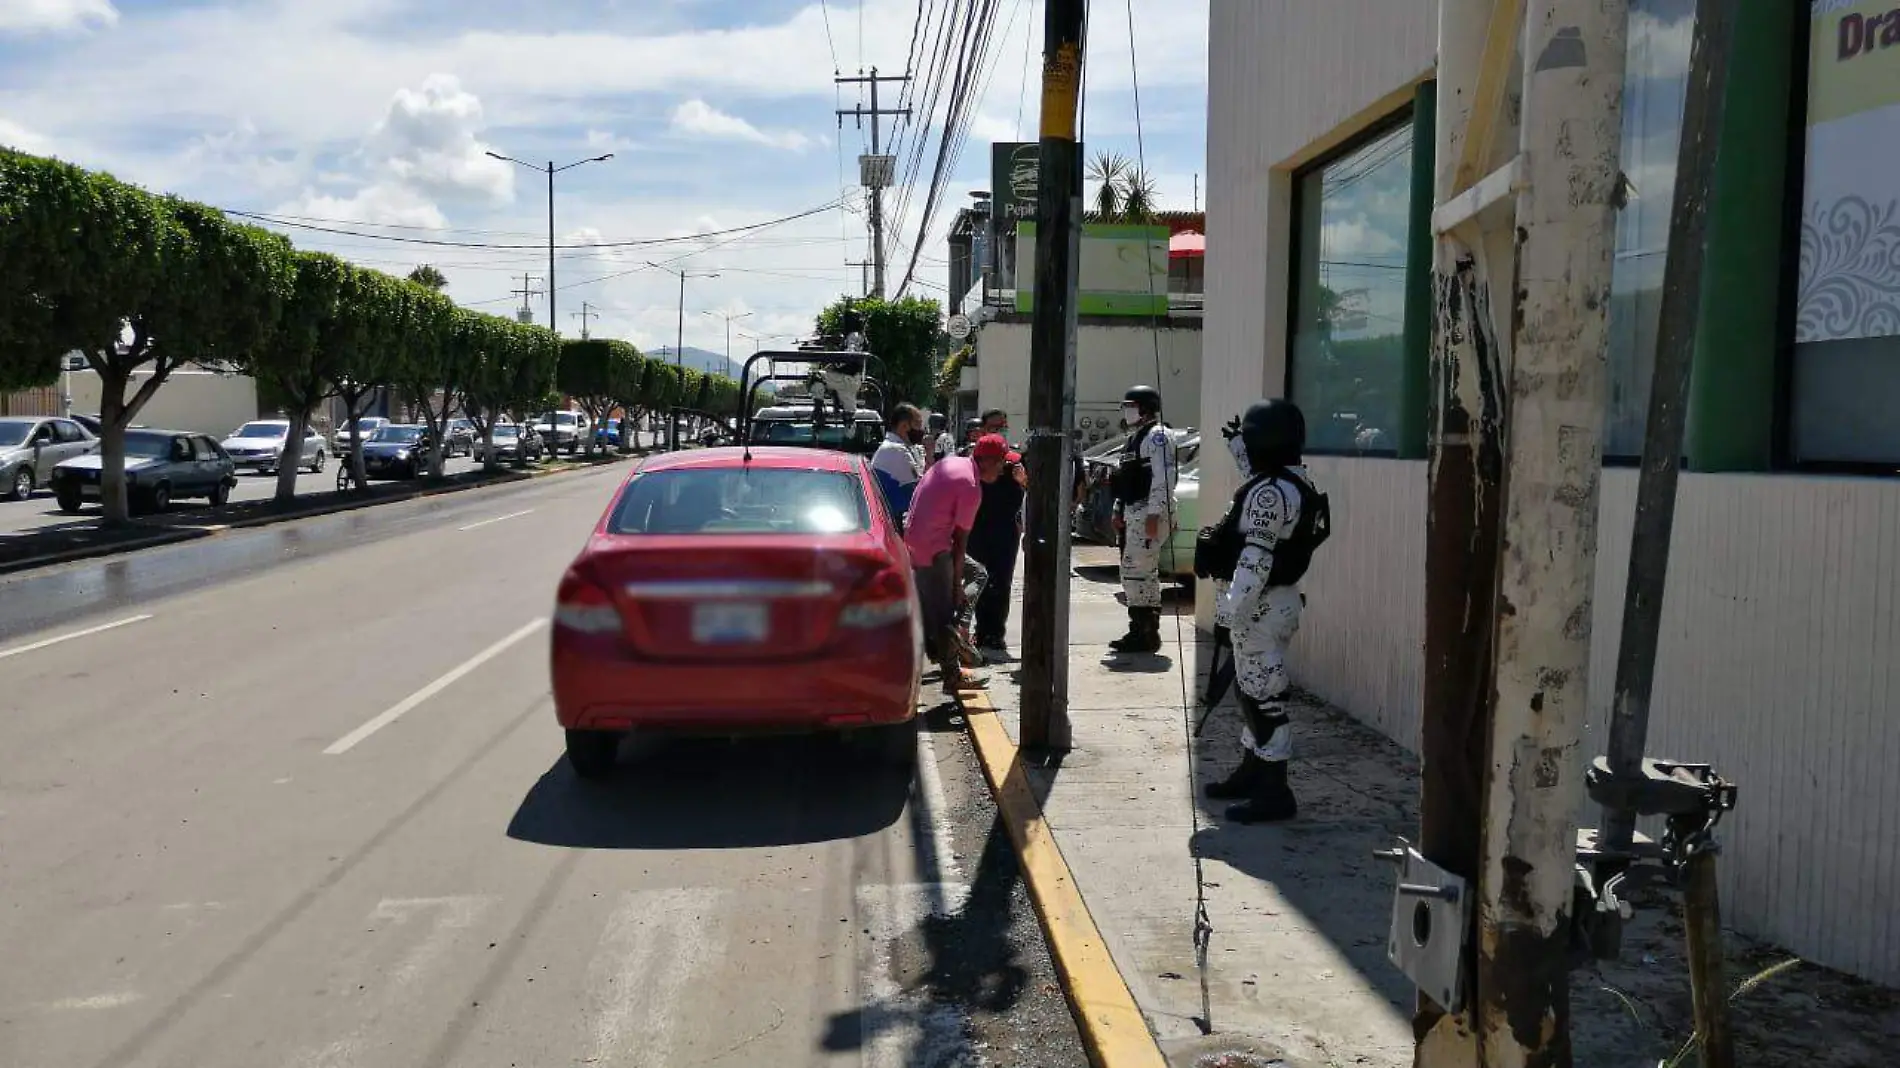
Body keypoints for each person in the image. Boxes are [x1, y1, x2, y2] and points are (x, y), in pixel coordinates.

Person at [1203, 398, 1325, 824]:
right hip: (1272, 605)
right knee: (1251, 689)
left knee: (1264, 698)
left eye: (1252, 441)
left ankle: (1274, 789)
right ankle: (1252, 771)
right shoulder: (1291, 481)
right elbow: (1256, 476)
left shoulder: (1271, 493)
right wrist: (1238, 444)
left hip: (1260, 608)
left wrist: (1228, 611)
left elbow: (1255, 559)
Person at [905, 445, 991, 695]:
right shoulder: (971, 485)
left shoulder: (952, 463)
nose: (1002, 469)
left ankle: (954, 636)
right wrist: (956, 585)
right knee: (946, 613)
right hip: (934, 547)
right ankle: (953, 665)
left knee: (939, 613)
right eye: (1000, 463)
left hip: (916, 540)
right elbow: (962, 538)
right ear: (986, 460)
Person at [1108, 385, 1177, 655]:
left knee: (1137, 573)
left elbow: (1164, 477)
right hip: (1134, 511)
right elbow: (1127, 477)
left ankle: (1144, 633)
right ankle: (1142, 632)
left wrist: (1154, 514)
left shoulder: (1158, 436)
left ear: (1145, 408)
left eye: (1131, 406)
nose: (1127, 411)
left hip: (1149, 511)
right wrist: (1118, 509)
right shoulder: (1136, 437)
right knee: (1138, 574)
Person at [968, 434, 1026, 658]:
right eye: (1002, 460)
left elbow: (1037, 494)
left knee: (1001, 582)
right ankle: (982, 631)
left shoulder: (1013, 473)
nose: (1006, 464)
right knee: (979, 580)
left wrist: (1024, 481)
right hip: (977, 530)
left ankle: (996, 633)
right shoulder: (971, 473)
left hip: (1005, 533)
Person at [870, 403, 926, 524]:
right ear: (904, 425)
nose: (921, 430)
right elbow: (920, 490)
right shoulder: (897, 450)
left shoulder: (893, 446)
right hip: (891, 519)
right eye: (918, 424)